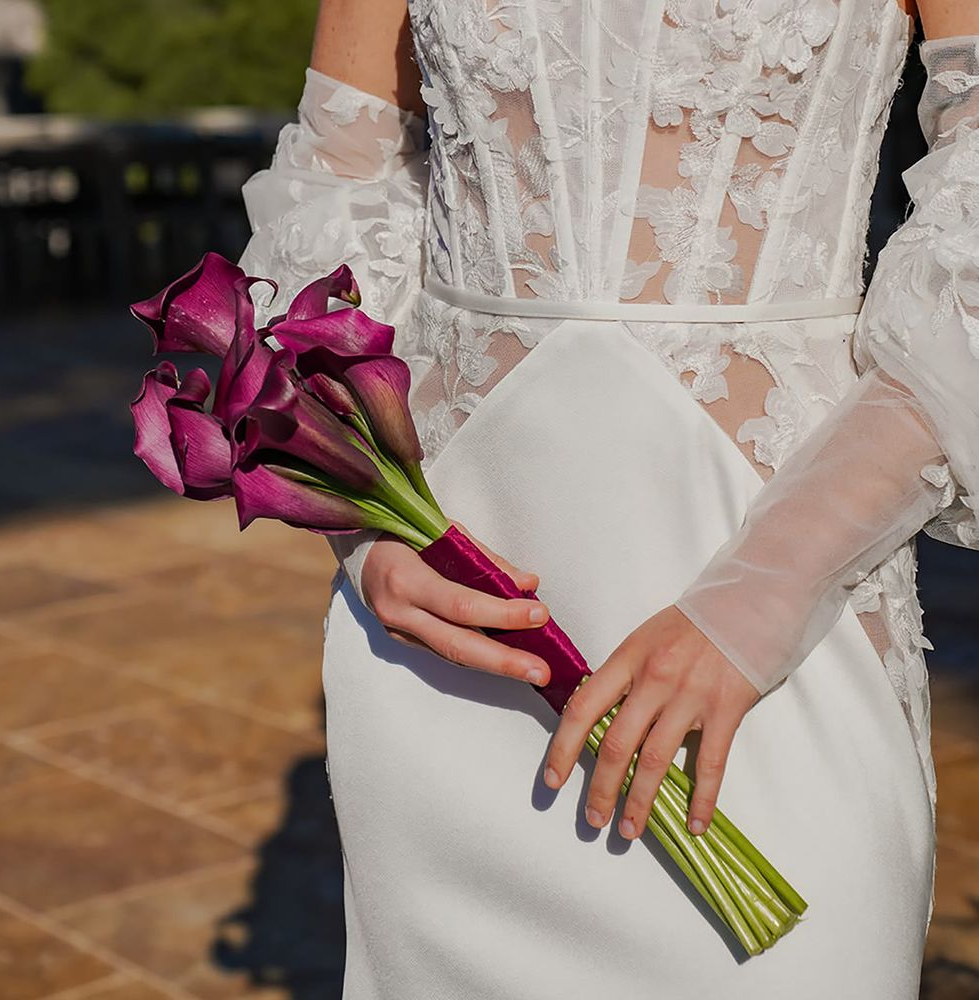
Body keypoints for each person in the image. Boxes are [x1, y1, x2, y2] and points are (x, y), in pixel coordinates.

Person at [239, 0, 979, 995]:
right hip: (456, 624)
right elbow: (334, 186)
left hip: (781, 603)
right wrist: (363, 517)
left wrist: (763, 594)